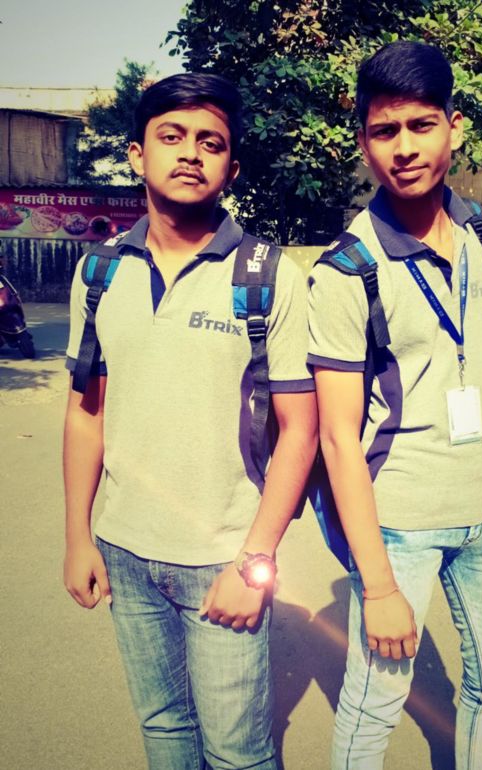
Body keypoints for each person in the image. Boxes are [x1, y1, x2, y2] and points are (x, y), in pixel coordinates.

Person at [63, 72, 317, 770]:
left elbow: (300, 431)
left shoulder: (268, 276)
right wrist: (78, 537)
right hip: (124, 550)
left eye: (211, 143)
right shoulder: (98, 273)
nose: (190, 154)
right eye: (171, 136)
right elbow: (86, 414)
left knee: (238, 753)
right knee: (164, 730)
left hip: (223, 556)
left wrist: (256, 560)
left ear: (231, 168)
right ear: (137, 154)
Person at [307, 42, 482, 770]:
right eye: (385, 131)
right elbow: (337, 440)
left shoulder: (477, 229)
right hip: (399, 520)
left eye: (421, 125)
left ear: (453, 126)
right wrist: (376, 583)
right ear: (364, 143)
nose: (404, 148)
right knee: (376, 701)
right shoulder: (346, 270)